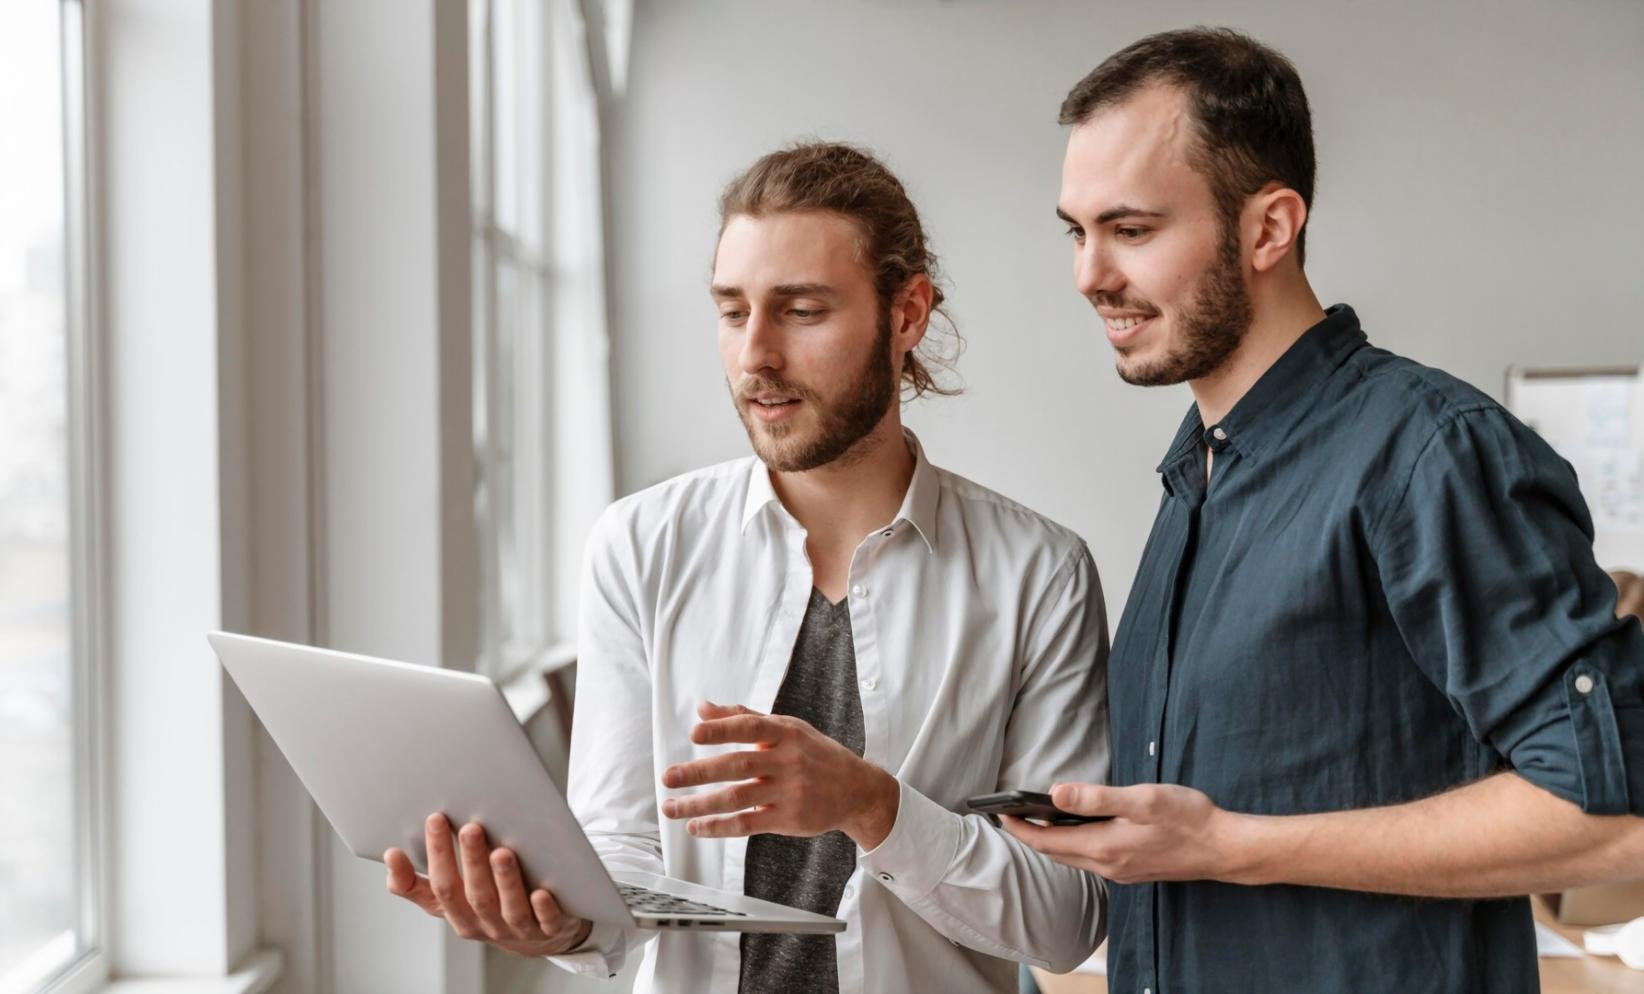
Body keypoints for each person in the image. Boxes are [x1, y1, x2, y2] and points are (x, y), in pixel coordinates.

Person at [1005, 26, 1644, 994]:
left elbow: (1612, 816)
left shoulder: (1431, 451)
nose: (1089, 275)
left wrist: (1230, 844)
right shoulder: (1198, 474)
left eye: (1131, 230)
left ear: (1269, 227)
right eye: (1077, 230)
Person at [384, 142, 1110, 993]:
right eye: (733, 312)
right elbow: (620, 848)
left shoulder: (1039, 574)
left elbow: (1067, 920)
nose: (755, 355)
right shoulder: (640, 546)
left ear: (907, 314)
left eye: (800, 311)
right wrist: (558, 917)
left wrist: (872, 807)